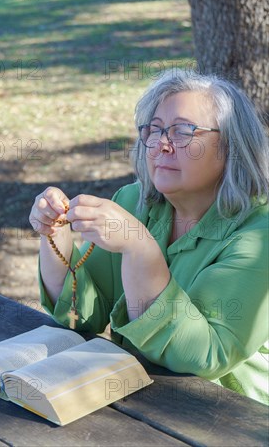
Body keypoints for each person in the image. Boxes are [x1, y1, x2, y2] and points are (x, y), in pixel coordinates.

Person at [29, 69, 269, 405]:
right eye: (154, 131)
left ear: (231, 146)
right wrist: (54, 233)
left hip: (230, 418)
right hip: (137, 402)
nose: (162, 145)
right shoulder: (134, 202)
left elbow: (206, 355)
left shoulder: (260, 234)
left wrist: (140, 249)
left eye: (184, 131)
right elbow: (82, 315)